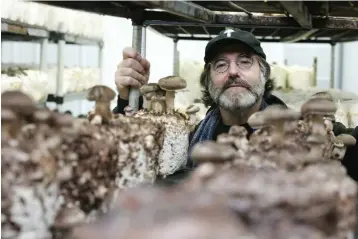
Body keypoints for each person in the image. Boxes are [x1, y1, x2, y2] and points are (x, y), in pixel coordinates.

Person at [113, 29, 358, 184]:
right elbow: (123, 157)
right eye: (220, 65)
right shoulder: (186, 137)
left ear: (263, 75)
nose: (232, 72)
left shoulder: (306, 132)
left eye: (244, 62)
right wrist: (127, 98)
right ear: (208, 82)